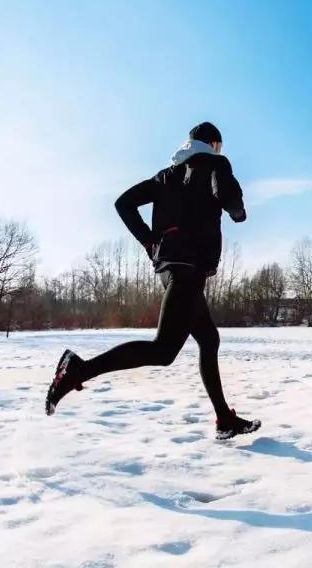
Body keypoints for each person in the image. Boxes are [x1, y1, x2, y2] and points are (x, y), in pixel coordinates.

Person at [44, 122, 261, 441]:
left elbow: (123, 203)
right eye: (219, 147)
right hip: (188, 267)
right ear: (213, 144)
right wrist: (238, 212)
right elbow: (227, 196)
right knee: (163, 350)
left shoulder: (166, 175)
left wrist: (149, 241)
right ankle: (78, 369)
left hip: (171, 266)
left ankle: (224, 420)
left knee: (208, 339)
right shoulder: (215, 163)